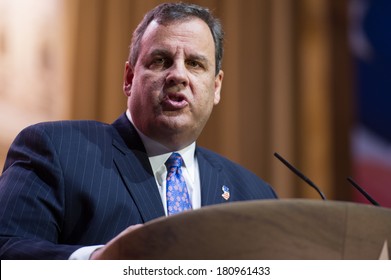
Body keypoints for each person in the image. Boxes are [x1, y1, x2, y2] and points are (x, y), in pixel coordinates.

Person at [0, 2, 277, 260]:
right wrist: (97, 261)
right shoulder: (56, 151)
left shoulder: (256, 196)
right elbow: (7, 250)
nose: (178, 75)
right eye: (161, 60)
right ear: (130, 78)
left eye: (195, 64)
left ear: (216, 86)